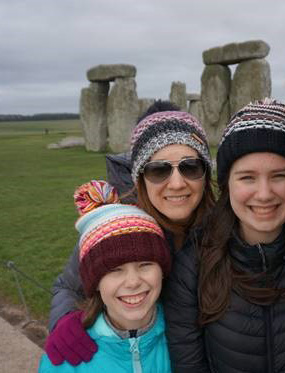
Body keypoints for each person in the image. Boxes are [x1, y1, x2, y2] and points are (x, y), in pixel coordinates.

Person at [45, 101, 215, 366]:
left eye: (190, 166)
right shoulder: (117, 227)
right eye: (159, 170)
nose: (177, 183)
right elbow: (68, 285)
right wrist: (64, 317)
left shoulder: (225, 223)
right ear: (140, 176)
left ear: (205, 172)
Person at [163, 98, 285, 372]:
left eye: (279, 176)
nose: (264, 193)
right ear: (227, 185)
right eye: (247, 177)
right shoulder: (194, 262)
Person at [39, 180, 172, 372]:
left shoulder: (183, 336)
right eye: (114, 270)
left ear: (162, 271)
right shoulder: (64, 360)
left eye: (145, 265)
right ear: (95, 282)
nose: (133, 282)